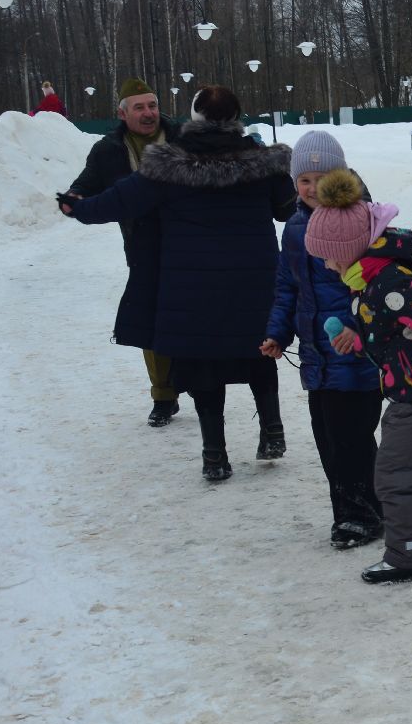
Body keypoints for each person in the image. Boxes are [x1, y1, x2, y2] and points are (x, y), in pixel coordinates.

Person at [63, 85, 295, 481]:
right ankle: (271, 429)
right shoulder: (262, 161)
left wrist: (78, 207)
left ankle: (214, 454)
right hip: (254, 278)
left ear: (195, 117)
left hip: (191, 286)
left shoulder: (168, 166)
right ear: (237, 117)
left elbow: (120, 201)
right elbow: (284, 208)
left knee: (203, 362)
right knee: (257, 347)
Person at [305, 170, 412, 585]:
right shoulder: (369, 284)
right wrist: (354, 334)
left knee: (392, 475)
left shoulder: (390, 284)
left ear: (348, 250)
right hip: (411, 390)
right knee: (408, 468)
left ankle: (407, 556)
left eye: (328, 257)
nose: (327, 265)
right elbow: (392, 336)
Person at [262, 131, 385, 550]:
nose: (312, 188)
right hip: (317, 356)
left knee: (353, 439)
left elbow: (382, 284)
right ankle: (354, 510)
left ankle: (360, 516)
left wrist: (362, 328)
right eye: (304, 180)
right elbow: (287, 286)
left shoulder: (362, 218)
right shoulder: (295, 228)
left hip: (358, 353)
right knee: (329, 440)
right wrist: (277, 332)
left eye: (322, 177)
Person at [61, 78, 185, 427]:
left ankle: (200, 383)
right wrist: (75, 197)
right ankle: (163, 395)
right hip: (142, 245)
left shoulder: (182, 139)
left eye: (152, 106)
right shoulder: (108, 150)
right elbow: (86, 184)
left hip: (188, 242)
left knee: (192, 313)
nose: (148, 114)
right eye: (139, 107)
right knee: (152, 318)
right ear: (122, 113)